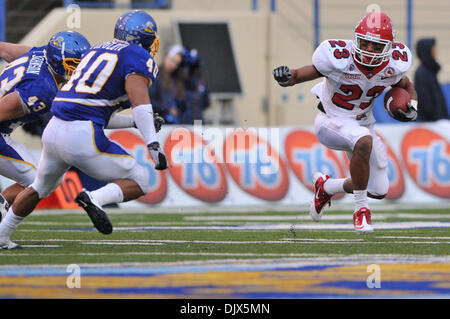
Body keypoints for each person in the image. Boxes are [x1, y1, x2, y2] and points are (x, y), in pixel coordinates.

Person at [0, 10, 168, 249]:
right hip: (79, 135)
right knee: (141, 179)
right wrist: (152, 142)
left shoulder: (72, 52)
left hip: (55, 130)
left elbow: (93, 110)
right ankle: (95, 197)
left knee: (39, 185)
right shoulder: (42, 88)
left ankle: (1, 235)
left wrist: (132, 122)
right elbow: (140, 102)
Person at [273, 11, 418, 234]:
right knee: (363, 140)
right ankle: (361, 212)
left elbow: (406, 86)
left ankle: (327, 187)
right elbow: (301, 75)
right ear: (356, 40)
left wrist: (412, 108)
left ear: (387, 48)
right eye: (365, 43)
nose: (369, 50)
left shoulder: (392, 65)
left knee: (378, 189)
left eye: (376, 47)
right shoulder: (340, 57)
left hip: (362, 123)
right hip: (331, 121)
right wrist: (287, 76)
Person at [0, 31, 90, 223]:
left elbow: (2, 48)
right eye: (74, 65)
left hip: (3, 133)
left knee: (38, 180)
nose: (79, 70)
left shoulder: (41, 54)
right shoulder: (42, 89)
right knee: (38, 182)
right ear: (57, 61)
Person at [149, 44, 210, 124]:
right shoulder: (155, 76)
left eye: (176, 63)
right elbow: (149, 101)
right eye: (172, 60)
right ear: (166, 56)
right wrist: (167, 109)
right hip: (159, 122)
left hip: (175, 124)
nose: (173, 65)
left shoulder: (177, 79)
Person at [414, 38, 449, 121]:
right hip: (431, 123)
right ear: (426, 50)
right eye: (433, 48)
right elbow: (425, 102)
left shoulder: (430, 70)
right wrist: (436, 118)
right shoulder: (422, 73)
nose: (435, 50)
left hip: (438, 121)